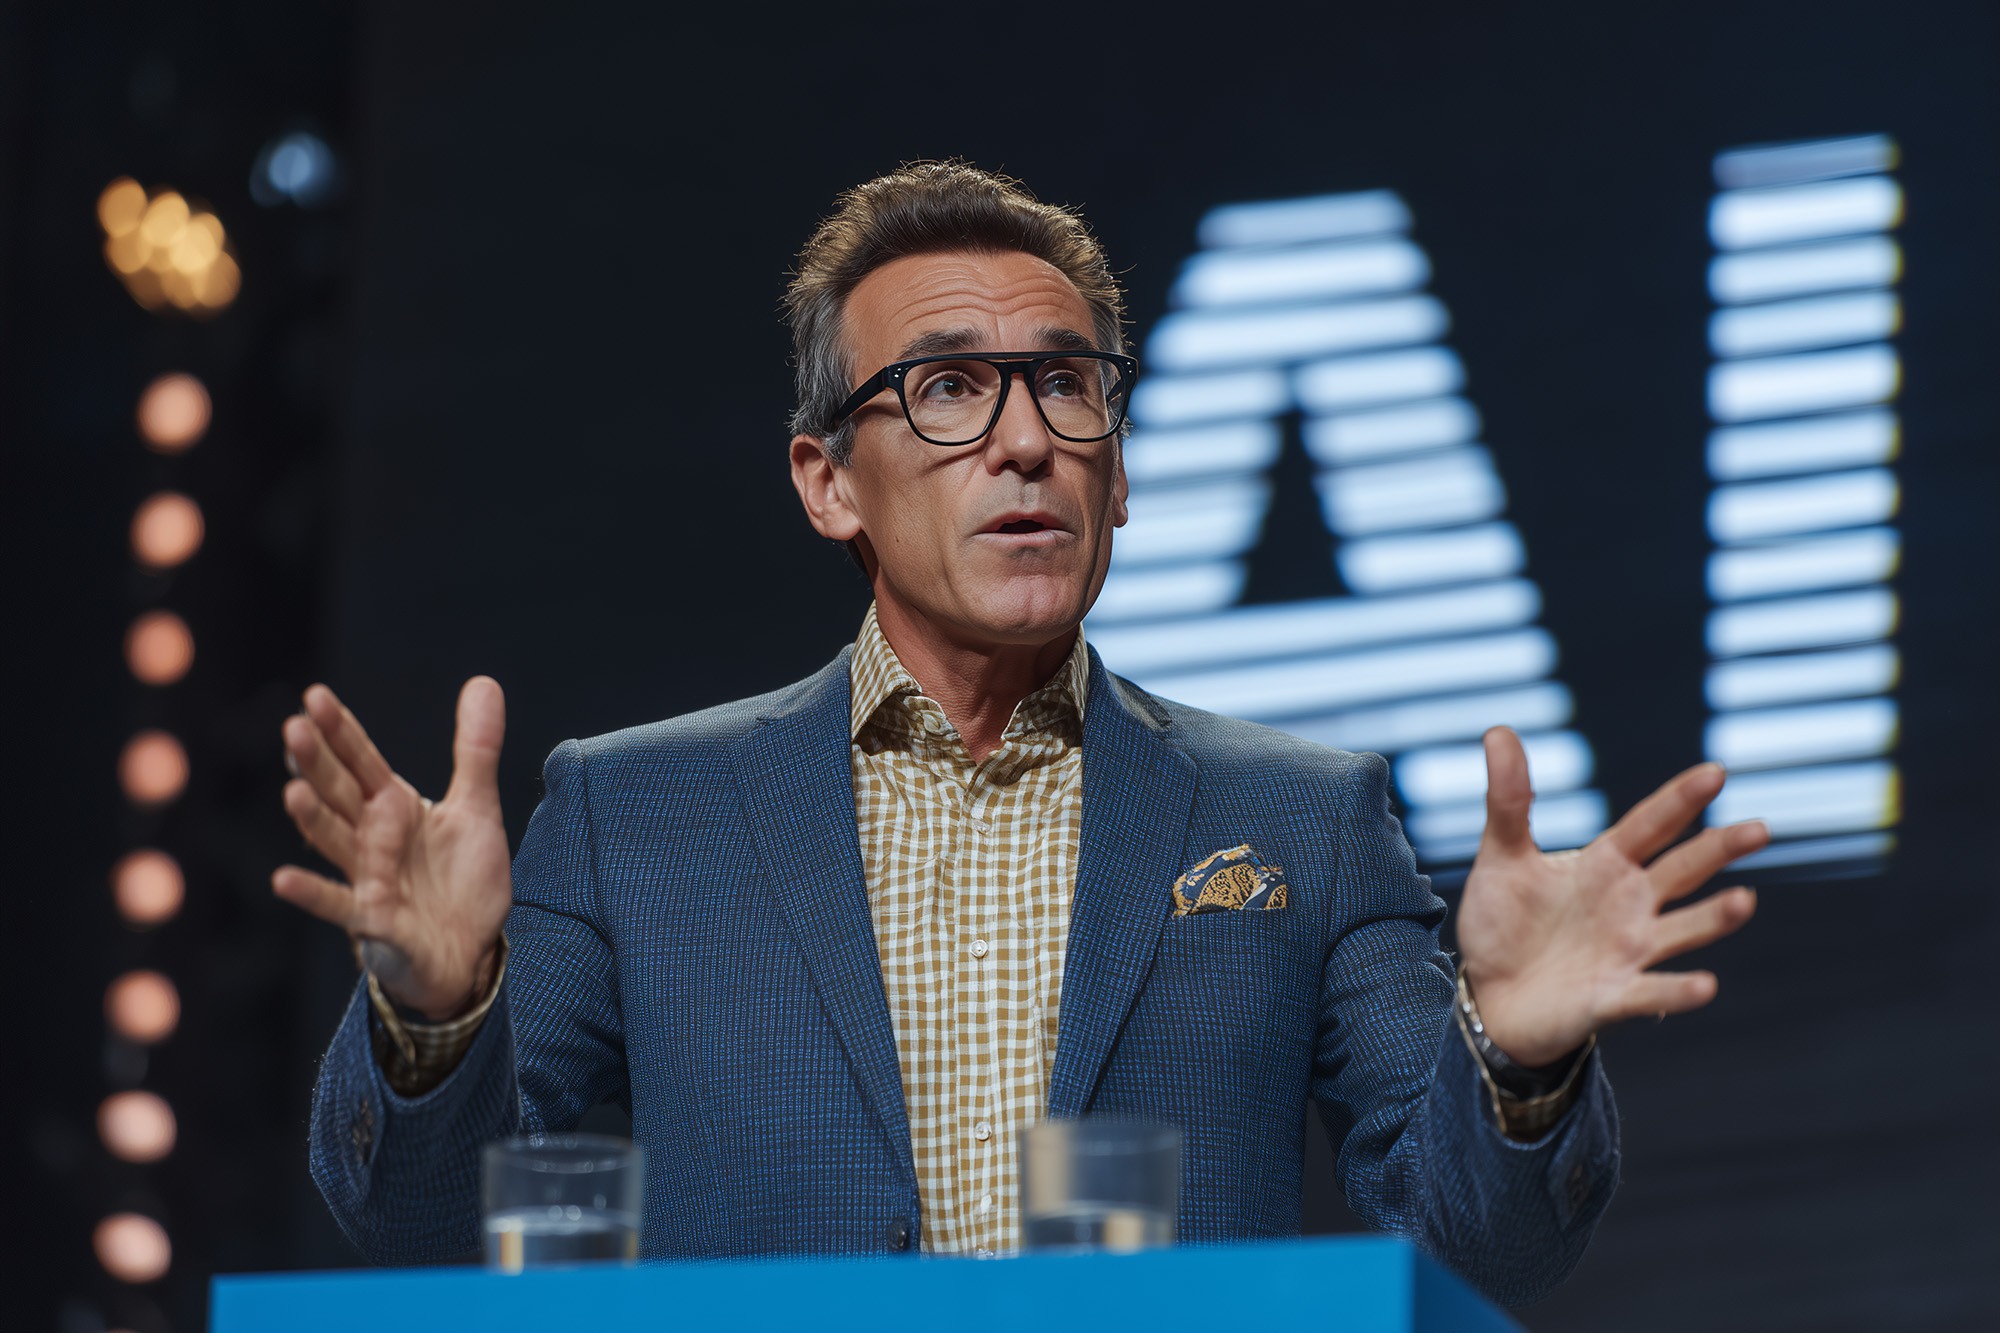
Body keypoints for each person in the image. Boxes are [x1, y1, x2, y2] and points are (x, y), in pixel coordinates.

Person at [276, 162, 1764, 1305]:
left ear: (1121, 475)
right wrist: (434, 1013)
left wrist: (1510, 1055)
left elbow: (1471, 1258)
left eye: (1067, 382)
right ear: (826, 481)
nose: (1026, 437)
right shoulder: (634, 814)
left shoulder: (1307, 816)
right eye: (946, 389)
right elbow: (426, 1229)